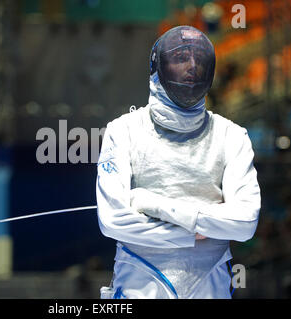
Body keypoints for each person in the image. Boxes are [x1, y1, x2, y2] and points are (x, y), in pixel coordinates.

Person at [96, 26, 261, 299]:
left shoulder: (232, 135)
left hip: (211, 287)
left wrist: (153, 204)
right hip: (140, 286)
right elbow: (112, 220)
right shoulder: (122, 131)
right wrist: (192, 233)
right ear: (157, 65)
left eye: (200, 59)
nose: (193, 66)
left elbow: (244, 223)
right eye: (181, 57)